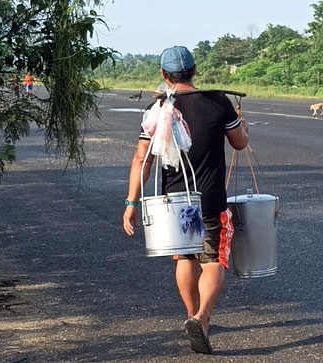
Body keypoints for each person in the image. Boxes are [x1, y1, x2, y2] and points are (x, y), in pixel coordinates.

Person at [122, 46, 249, 354]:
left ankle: (191, 314)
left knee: (185, 258)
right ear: (194, 71)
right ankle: (203, 318)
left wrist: (131, 203)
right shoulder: (218, 102)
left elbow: (142, 159)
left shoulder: (158, 109)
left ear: (164, 75)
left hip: (176, 203)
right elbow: (239, 143)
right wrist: (240, 123)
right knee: (214, 259)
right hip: (210, 200)